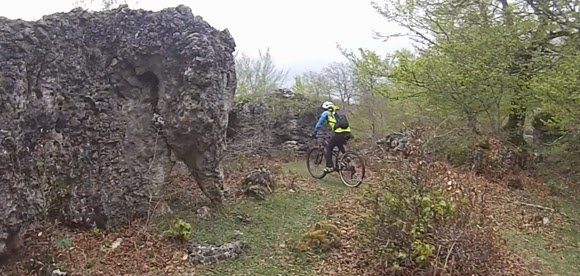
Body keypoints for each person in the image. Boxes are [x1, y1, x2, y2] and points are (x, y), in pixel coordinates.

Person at [310, 101, 352, 173]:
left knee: (328, 147)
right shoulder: (339, 111)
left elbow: (319, 124)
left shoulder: (326, 113)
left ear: (325, 108)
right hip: (347, 133)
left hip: (339, 133)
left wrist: (314, 132)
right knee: (338, 143)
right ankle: (347, 156)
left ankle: (329, 167)